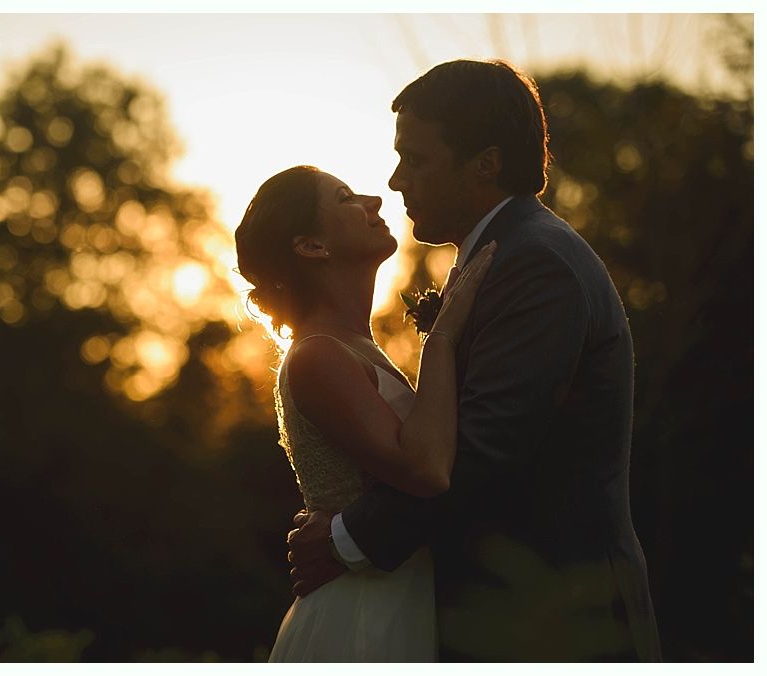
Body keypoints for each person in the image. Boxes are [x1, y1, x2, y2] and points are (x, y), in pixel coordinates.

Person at [286, 59, 662, 661]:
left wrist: (345, 540)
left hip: (561, 615)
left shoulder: (536, 264)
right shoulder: (499, 256)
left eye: (416, 158)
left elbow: (486, 448)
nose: (396, 179)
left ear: (485, 163)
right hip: (511, 611)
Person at [235, 165, 496, 661]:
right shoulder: (317, 355)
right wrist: (441, 339)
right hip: (362, 614)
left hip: (399, 593)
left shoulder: (355, 347)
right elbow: (425, 469)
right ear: (311, 246)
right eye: (345, 198)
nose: (374, 200)